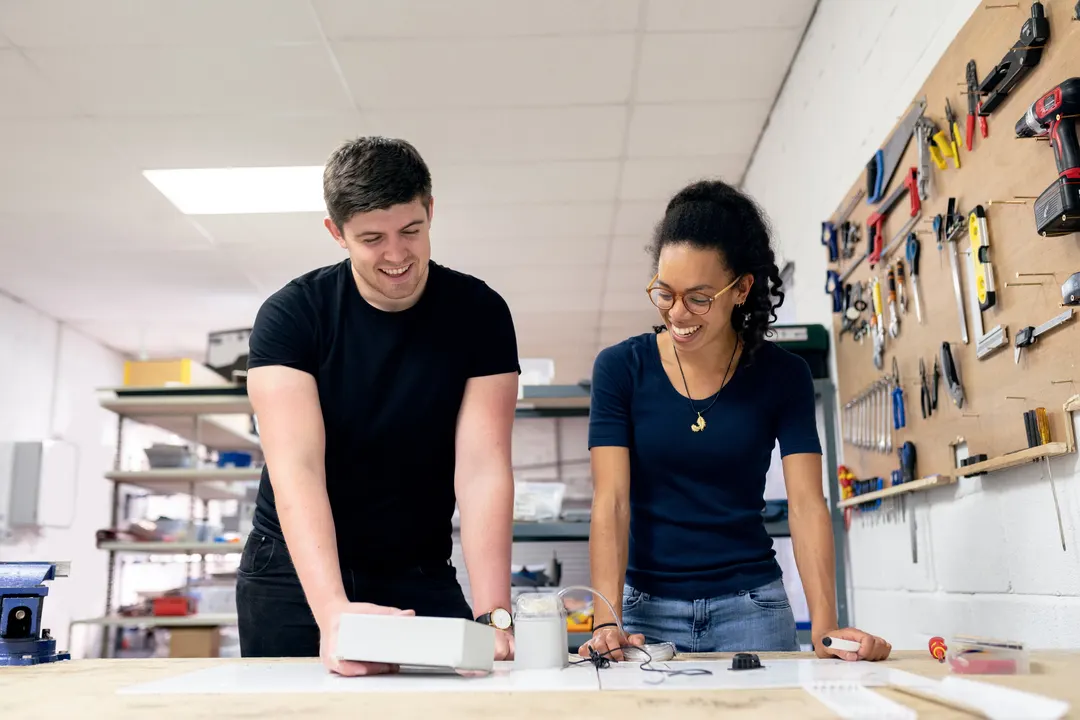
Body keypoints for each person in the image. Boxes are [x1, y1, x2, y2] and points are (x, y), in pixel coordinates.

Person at [237, 137, 520, 675]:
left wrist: (493, 614)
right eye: (372, 238)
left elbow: (483, 468)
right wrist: (333, 613)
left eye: (411, 231)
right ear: (336, 233)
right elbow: (296, 470)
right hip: (296, 576)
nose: (396, 255)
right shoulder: (292, 317)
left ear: (430, 210)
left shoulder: (479, 313)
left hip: (415, 566)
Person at [580, 180, 891, 663]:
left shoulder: (782, 375)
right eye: (665, 292)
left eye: (699, 298)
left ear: (742, 288)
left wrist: (826, 626)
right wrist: (606, 619)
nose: (677, 313)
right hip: (645, 615)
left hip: (753, 609)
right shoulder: (621, 369)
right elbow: (612, 501)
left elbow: (807, 504)